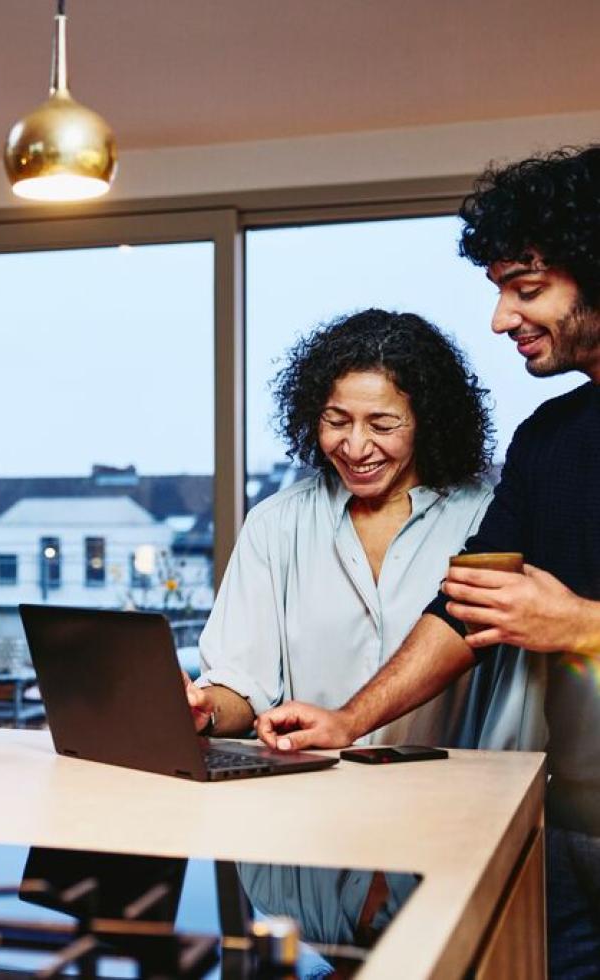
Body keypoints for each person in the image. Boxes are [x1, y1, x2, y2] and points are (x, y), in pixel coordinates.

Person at [253, 145, 600, 974]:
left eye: (526, 290)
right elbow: (461, 607)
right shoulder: (547, 440)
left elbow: (563, 625)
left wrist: (581, 624)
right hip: (566, 830)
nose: (500, 320)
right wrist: (348, 721)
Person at [185, 308, 538, 749]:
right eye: (336, 421)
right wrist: (206, 710)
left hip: (454, 800)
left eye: (382, 424)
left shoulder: (490, 521)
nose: (354, 446)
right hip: (312, 798)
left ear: (426, 422)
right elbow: (241, 684)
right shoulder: (275, 524)